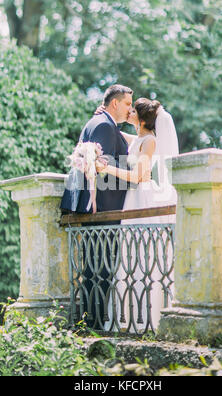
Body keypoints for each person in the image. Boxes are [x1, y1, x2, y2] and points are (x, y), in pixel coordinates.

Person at [98, 98, 179, 333]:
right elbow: (123, 137)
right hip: (133, 199)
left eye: (132, 111)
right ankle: (129, 316)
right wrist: (105, 115)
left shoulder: (151, 141)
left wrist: (106, 168)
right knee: (130, 252)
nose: (129, 113)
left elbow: (139, 176)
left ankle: (145, 318)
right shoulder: (141, 138)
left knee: (141, 253)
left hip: (141, 197)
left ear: (142, 119)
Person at [60, 84, 133, 329]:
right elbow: (101, 171)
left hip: (96, 208)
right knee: (100, 266)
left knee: (93, 265)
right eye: (127, 104)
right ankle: (94, 322)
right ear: (115, 103)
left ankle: (89, 320)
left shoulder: (97, 122)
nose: (129, 109)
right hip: (102, 208)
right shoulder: (104, 125)